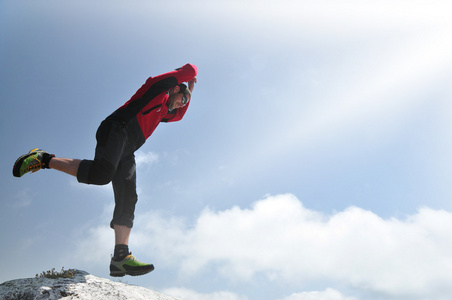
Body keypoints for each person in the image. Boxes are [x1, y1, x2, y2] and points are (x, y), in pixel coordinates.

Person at [12, 63, 198, 277]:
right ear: (175, 88)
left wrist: (190, 93)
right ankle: (43, 159)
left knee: (129, 196)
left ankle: (121, 257)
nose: (181, 104)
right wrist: (191, 79)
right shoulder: (156, 90)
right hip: (117, 127)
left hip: (129, 149)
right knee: (102, 174)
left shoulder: (165, 113)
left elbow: (180, 116)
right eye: (182, 99)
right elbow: (189, 70)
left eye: (185, 102)